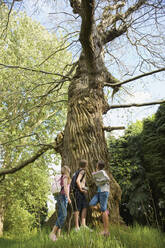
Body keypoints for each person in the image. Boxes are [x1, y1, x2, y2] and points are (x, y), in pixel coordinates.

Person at [49, 165, 71, 242]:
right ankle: (52, 233)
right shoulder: (65, 177)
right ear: (67, 171)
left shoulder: (62, 177)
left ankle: (58, 235)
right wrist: (68, 197)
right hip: (62, 196)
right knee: (64, 215)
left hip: (62, 197)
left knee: (61, 215)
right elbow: (65, 187)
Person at [89, 160, 110, 236]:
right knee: (91, 203)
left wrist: (99, 180)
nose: (96, 166)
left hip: (104, 192)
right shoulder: (98, 173)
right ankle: (104, 211)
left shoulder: (103, 172)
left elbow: (108, 180)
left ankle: (106, 231)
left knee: (103, 210)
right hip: (99, 192)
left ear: (98, 166)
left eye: (97, 165)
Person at [72, 159, 89, 231]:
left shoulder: (75, 172)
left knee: (84, 207)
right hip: (79, 192)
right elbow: (77, 181)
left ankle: (83, 225)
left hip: (76, 192)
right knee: (77, 209)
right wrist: (81, 189)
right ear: (86, 165)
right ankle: (77, 227)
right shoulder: (82, 171)